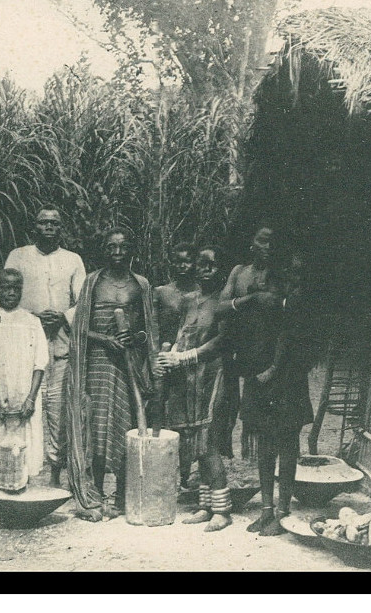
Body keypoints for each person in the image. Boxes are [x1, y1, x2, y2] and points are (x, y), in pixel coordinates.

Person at [65, 227, 160, 521]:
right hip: (97, 362)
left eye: (123, 247)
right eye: (111, 247)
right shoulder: (92, 282)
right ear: (103, 250)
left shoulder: (140, 285)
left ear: (132, 250)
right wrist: (106, 339)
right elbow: (79, 329)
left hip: (127, 365)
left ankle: (120, 495)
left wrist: (136, 338)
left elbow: (149, 330)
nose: (117, 253)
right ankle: (92, 495)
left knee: (124, 424)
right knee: (95, 425)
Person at [4, 205, 86, 487]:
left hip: (61, 341)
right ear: (34, 226)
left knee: (57, 406)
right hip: (26, 339)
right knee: (23, 400)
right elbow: (7, 294)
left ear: (61, 228)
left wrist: (63, 315)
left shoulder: (73, 260)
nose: (49, 227)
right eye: (43, 223)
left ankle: (55, 472)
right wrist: (33, 318)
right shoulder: (18, 256)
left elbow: (83, 301)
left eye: (54, 223)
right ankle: (18, 470)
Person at [237, 251, 315, 536]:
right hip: (263, 377)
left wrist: (273, 368)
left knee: (287, 444)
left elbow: (291, 337)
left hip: (288, 379)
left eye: (298, 274)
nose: (294, 279)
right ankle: (266, 508)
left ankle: (283, 511)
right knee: (265, 442)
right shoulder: (269, 296)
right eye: (289, 273)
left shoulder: (300, 302)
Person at [156, 245, 233, 531]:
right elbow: (180, 335)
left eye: (211, 265)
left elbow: (221, 343)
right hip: (187, 380)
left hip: (213, 376)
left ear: (220, 269)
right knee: (194, 443)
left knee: (209, 442)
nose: (205, 269)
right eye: (201, 264)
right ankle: (206, 505)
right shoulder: (188, 300)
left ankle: (222, 511)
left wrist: (185, 357)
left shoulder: (224, 301)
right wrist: (169, 355)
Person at [0, 269, 49, 483]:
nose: (11, 292)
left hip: (24, 395)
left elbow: (39, 363)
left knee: (24, 449)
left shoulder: (32, 322)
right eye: (6, 287)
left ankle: (21, 497)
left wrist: (31, 398)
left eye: (16, 288)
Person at [213, 226, 283, 459]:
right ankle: (227, 460)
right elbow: (220, 308)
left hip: (265, 352)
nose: (268, 247)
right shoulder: (239, 272)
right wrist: (251, 299)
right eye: (263, 241)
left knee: (258, 416)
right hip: (236, 350)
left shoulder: (280, 276)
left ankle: (253, 465)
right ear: (252, 243)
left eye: (272, 242)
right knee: (227, 406)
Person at [154, 242, 198, 349]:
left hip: (191, 354)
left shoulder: (202, 294)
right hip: (163, 351)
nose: (182, 266)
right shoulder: (161, 292)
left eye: (187, 262)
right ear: (172, 264)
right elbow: (152, 328)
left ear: (195, 263)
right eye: (178, 262)